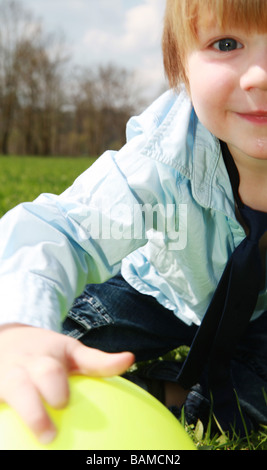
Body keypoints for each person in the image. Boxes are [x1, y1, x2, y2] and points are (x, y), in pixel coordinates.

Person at [0, 0, 267, 444]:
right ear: (181, 66)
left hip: (258, 315)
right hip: (161, 288)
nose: (260, 75)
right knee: (54, 349)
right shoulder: (164, 156)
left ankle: (175, 391)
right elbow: (65, 228)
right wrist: (18, 325)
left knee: (243, 404)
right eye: (226, 43)